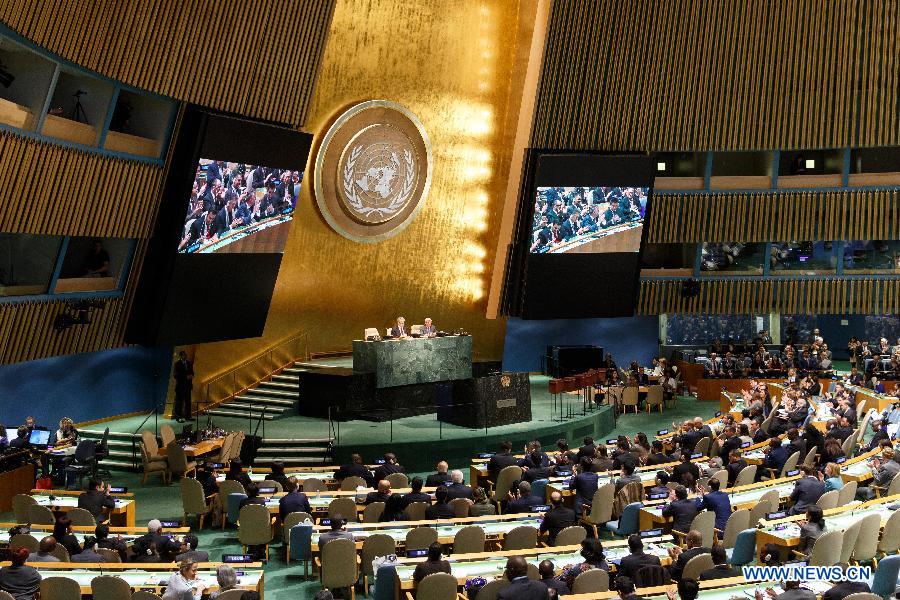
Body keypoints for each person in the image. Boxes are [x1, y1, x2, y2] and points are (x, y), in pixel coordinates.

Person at [173, 351, 194, 423]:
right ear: (181, 356)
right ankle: (178, 417)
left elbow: (192, 372)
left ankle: (188, 416)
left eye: (186, 355)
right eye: (184, 355)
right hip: (180, 387)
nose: (185, 356)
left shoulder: (189, 363)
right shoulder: (177, 364)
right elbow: (175, 375)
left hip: (188, 386)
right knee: (179, 403)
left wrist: (192, 375)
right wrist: (186, 377)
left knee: (188, 402)